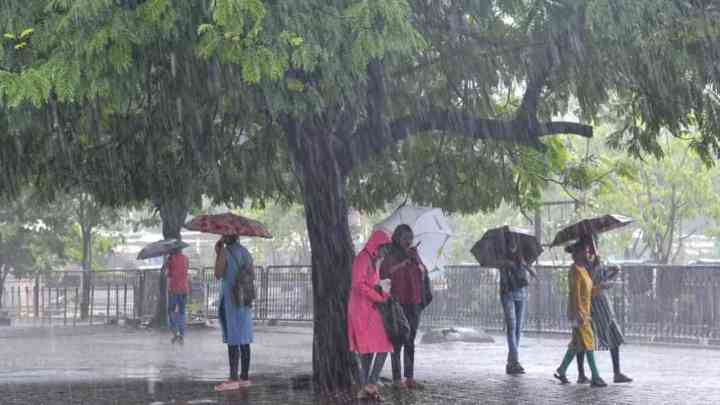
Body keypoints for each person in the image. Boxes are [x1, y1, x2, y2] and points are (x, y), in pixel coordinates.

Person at [576, 237, 633, 384]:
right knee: (583, 340)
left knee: (613, 335)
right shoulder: (581, 269)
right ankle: (581, 373)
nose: (590, 254)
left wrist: (612, 273)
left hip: (604, 305)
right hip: (590, 307)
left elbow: (611, 272)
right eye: (587, 251)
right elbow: (585, 291)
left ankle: (616, 372)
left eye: (592, 250)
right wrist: (600, 287)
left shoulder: (598, 265)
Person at [553, 237, 607, 388]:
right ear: (579, 253)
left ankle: (562, 370)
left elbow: (588, 293)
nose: (589, 253)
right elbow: (575, 294)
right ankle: (595, 376)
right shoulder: (575, 270)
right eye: (586, 250)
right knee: (588, 342)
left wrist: (601, 287)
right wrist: (580, 314)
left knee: (577, 345)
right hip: (579, 314)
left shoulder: (584, 270)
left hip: (584, 312)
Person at [348, 230, 394, 401]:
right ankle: (370, 385)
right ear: (378, 245)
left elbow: (368, 284)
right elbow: (358, 285)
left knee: (375, 348)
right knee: (376, 348)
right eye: (385, 248)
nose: (386, 252)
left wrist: (382, 289)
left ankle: (367, 387)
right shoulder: (363, 259)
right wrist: (380, 297)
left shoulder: (372, 259)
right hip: (361, 311)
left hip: (370, 308)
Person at [379, 224, 426, 389]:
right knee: (397, 340)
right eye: (405, 237)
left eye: (410, 238)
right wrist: (402, 264)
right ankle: (397, 378)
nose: (408, 241)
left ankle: (410, 376)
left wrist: (416, 261)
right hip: (398, 303)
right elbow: (384, 275)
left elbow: (423, 271)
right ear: (398, 238)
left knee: (411, 340)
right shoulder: (390, 256)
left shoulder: (414, 254)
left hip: (414, 302)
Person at [213, 235, 255, 392]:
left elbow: (218, 274)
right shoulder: (245, 252)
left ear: (227, 236)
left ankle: (233, 378)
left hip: (232, 298)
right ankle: (244, 377)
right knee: (244, 336)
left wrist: (218, 253)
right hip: (245, 298)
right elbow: (251, 274)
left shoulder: (225, 251)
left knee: (233, 336)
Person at [498, 239, 534, 375]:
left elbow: (529, 277)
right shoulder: (502, 259)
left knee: (518, 328)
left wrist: (526, 266)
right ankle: (515, 361)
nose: (513, 245)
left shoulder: (522, 258)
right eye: (510, 242)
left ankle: (511, 362)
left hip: (521, 294)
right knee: (512, 327)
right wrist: (507, 265)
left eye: (515, 243)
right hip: (507, 294)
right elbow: (503, 280)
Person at [166, 247, 189, 344]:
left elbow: (168, 274)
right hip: (184, 289)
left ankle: (175, 333)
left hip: (174, 289)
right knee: (182, 312)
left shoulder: (170, 259)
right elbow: (185, 271)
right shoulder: (186, 258)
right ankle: (182, 335)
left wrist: (167, 263)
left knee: (171, 310)